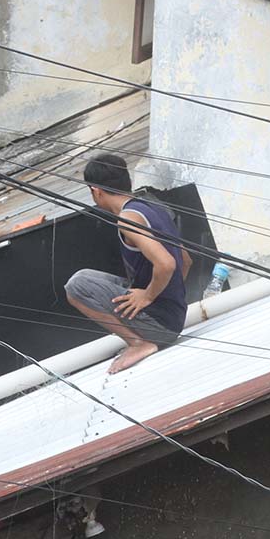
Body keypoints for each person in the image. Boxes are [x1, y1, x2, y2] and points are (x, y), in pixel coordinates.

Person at [65, 153, 191, 374]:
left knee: (76, 286)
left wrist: (149, 296)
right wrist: (170, 296)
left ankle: (138, 343)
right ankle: (146, 331)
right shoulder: (151, 207)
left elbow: (167, 263)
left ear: (96, 191)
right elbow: (186, 260)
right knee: (91, 278)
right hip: (176, 316)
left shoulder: (129, 219)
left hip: (160, 325)